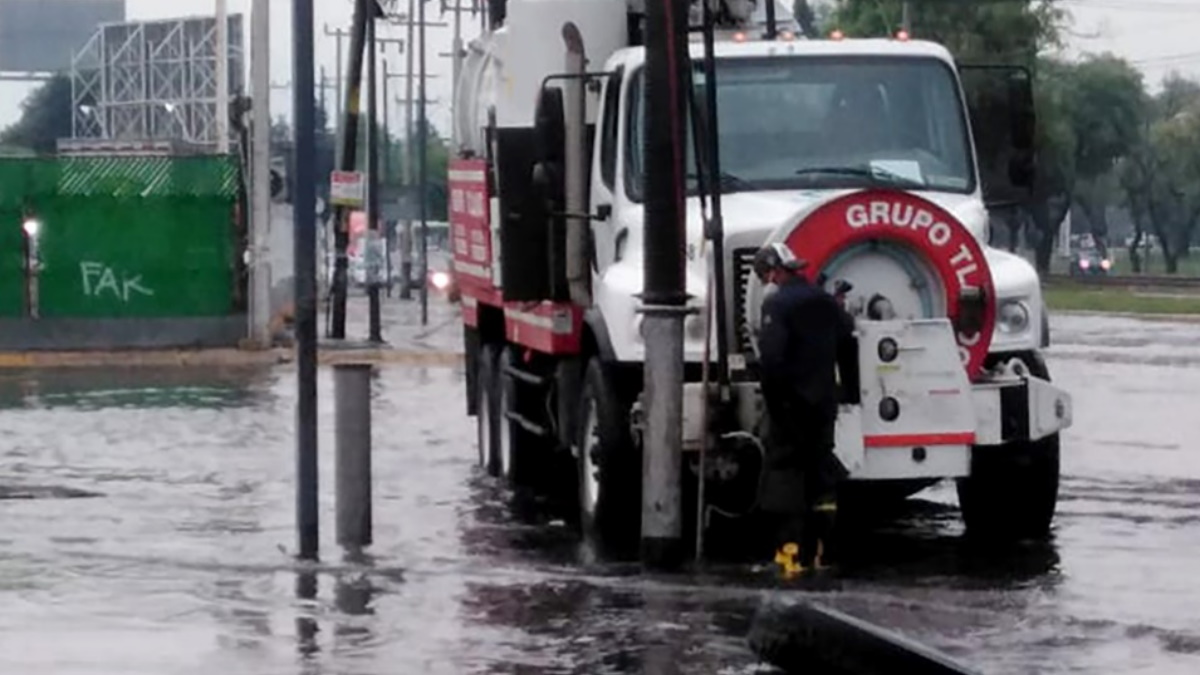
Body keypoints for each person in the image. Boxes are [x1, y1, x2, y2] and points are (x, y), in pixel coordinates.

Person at [753, 243, 855, 574]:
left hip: (790, 407)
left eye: (766, 274)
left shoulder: (777, 305)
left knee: (785, 479)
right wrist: (846, 393)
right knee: (822, 480)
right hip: (824, 405)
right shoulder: (826, 302)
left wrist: (776, 407)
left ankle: (788, 558)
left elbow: (771, 361)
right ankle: (823, 553)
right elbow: (847, 338)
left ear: (775, 270)